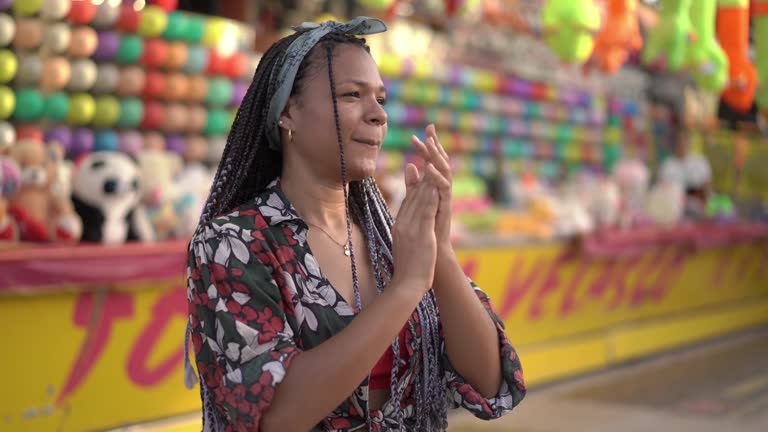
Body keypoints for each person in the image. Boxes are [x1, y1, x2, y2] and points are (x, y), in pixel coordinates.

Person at [185, 17, 525, 432]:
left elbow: (490, 384)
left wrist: (441, 256)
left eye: (381, 99)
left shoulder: (390, 239)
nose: (378, 115)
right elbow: (275, 416)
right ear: (288, 111)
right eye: (352, 95)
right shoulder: (233, 242)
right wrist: (406, 287)